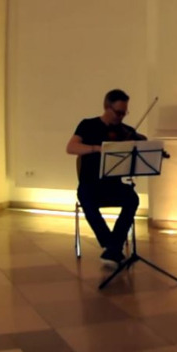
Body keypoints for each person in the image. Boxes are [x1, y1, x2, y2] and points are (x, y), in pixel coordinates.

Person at [66, 89, 142, 266]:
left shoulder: (125, 131)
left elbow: (141, 142)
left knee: (132, 198)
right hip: (90, 184)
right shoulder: (87, 125)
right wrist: (98, 148)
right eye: (118, 112)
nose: (121, 117)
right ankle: (112, 245)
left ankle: (113, 247)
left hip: (113, 185)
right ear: (107, 107)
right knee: (86, 199)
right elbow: (71, 147)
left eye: (124, 112)